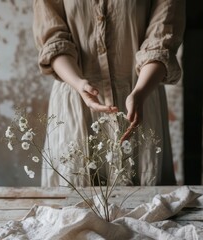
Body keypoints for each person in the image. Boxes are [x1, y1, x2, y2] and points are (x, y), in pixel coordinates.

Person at [33, 0, 185, 187]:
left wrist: (140, 92)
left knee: (143, 204)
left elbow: (162, 41)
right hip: (76, 101)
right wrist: (79, 83)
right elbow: (53, 40)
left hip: (140, 99)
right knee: (73, 203)